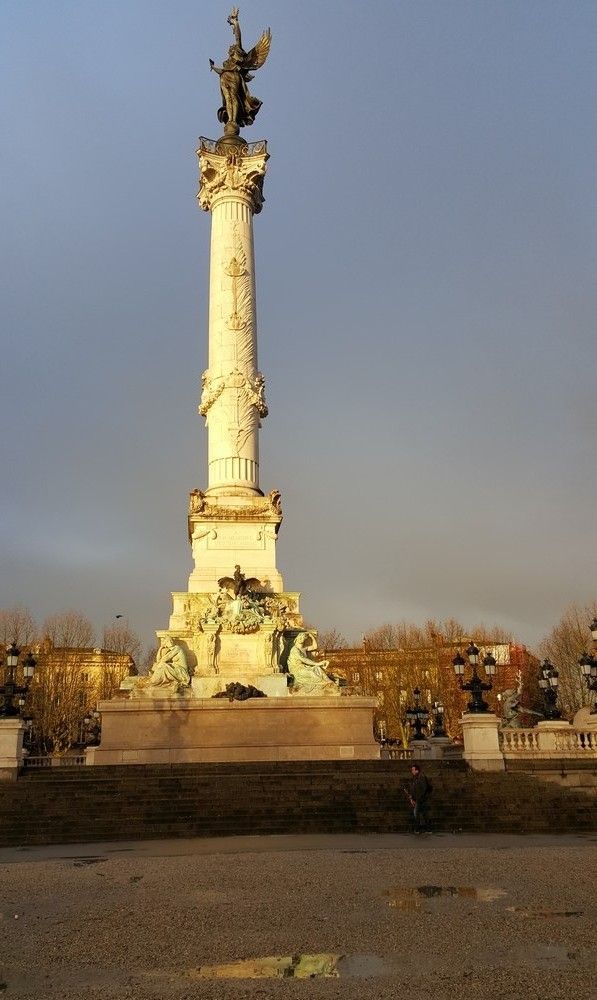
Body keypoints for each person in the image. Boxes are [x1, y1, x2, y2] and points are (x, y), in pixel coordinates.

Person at [407, 763, 431, 833]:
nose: (412, 771)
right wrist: (412, 798)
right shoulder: (416, 778)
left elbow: (423, 789)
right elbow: (414, 789)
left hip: (421, 799)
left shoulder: (421, 778)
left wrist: (417, 799)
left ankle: (418, 829)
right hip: (418, 799)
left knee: (418, 814)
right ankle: (425, 829)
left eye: (413, 770)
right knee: (423, 814)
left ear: (417, 770)